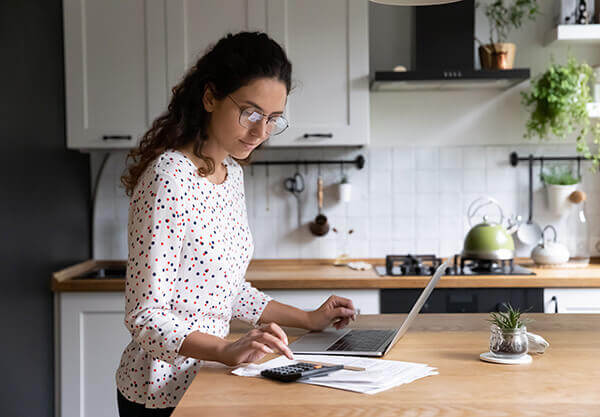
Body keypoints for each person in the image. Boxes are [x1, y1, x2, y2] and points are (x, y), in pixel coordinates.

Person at [116, 31, 357, 416]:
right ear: (210, 97)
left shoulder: (230, 173)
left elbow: (225, 290)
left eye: (273, 119)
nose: (261, 132)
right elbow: (145, 317)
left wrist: (309, 319)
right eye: (251, 113)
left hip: (211, 379)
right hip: (160, 392)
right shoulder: (168, 178)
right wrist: (226, 350)